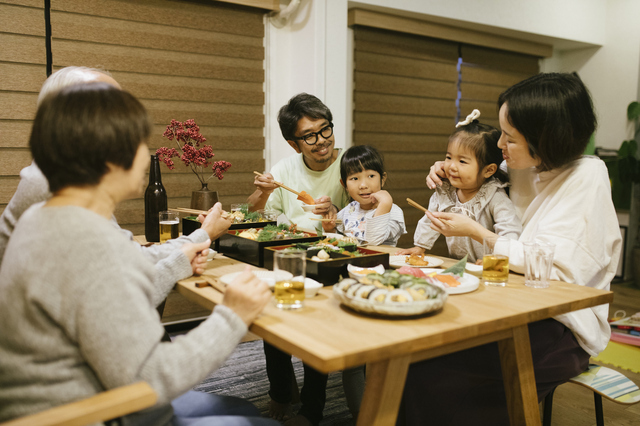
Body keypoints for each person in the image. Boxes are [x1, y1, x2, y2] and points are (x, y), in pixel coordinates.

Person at [0, 83, 277, 426]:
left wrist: (177, 262)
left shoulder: (40, 217)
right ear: (109, 159)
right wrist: (232, 316)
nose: (147, 156)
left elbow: (107, 296)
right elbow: (152, 378)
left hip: (84, 395)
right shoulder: (89, 241)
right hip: (90, 412)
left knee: (247, 411)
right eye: (139, 144)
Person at [396, 73, 621, 425]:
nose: (500, 144)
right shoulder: (526, 163)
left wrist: (478, 232)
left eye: (509, 138)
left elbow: (548, 266)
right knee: (413, 350)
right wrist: (449, 168)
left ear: (544, 140)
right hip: (511, 305)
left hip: (561, 328)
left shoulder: (584, 179)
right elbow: (479, 165)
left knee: (433, 373)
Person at [0, 66, 230, 303]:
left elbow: (128, 257)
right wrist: (201, 238)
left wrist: (198, 239)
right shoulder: (53, 187)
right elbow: (125, 293)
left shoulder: (66, 177)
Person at [396, 110, 521, 262]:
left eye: (462, 161)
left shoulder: (494, 195)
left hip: (488, 268)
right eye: (449, 157)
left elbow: (510, 232)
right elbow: (430, 220)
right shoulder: (445, 191)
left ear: (488, 170)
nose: (451, 166)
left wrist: (497, 258)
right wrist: (420, 247)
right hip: (459, 265)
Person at [247, 93, 349, 230]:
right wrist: (263, 192)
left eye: (325, 129)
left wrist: (336, 210)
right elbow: (250, 216)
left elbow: (370, 216)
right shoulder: (284, 170)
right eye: (309, 136)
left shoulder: (352, 164)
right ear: (294, 145)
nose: (321, 140)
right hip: (297, 247)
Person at [322, 144, 406, 246]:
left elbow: (373, 242)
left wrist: (384, 204)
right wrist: (330, 230)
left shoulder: (393, 212)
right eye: (355, 178)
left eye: (371, 176)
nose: (363, 185)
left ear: (382, 179)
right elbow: (340, 242)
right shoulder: (349, 210)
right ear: (344, 185)